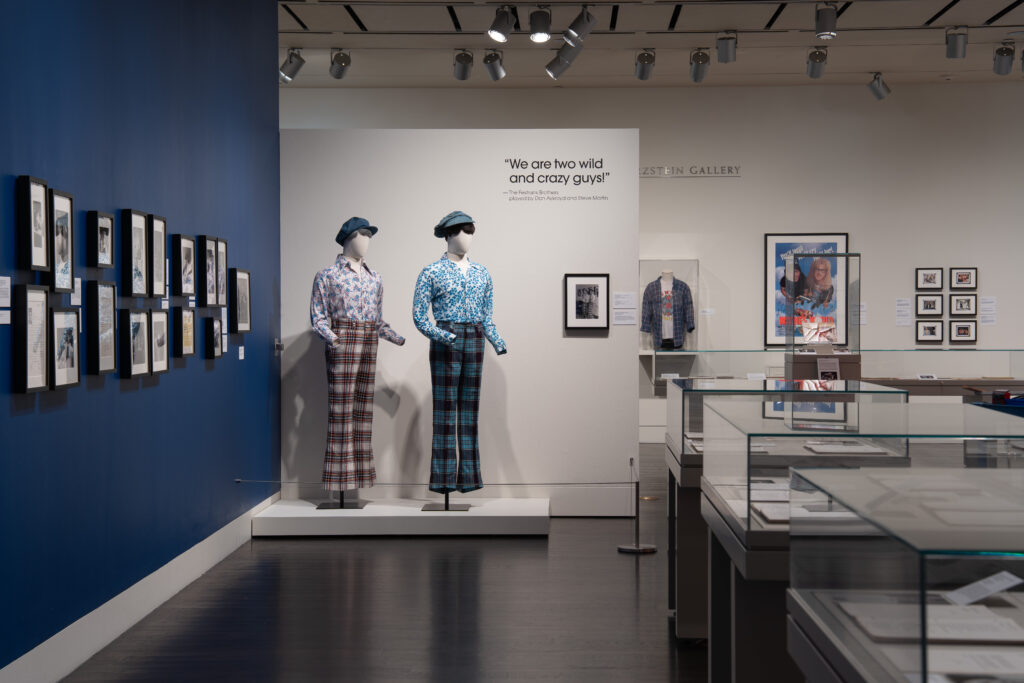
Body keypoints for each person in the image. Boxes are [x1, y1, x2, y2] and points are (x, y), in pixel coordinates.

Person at [413, 210, 506, 495]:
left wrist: (497, 341)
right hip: (446, 339)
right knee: (444, 411)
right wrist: (443, 336)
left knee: (469, 411)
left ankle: (468, 478)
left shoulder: (482, 272)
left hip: (475, 338)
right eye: (463, 232)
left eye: (470, 232)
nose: (467, 238)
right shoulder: (431, 271)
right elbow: (419, 316)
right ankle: (442, 481)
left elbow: (487, 316)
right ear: (449, 235)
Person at [310, 217, 405, 493]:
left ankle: (360, 477)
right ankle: (339, 480)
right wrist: (334, 339)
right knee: (341, 411)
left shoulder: (375, 277)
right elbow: (318, 318)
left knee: (363, 411)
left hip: (368, 341)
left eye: (369, 235)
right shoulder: (327, 275)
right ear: (347, 239)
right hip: (343, 339)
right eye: (361, 234)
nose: (366, 240)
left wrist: (394, 336)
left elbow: (377, 319)